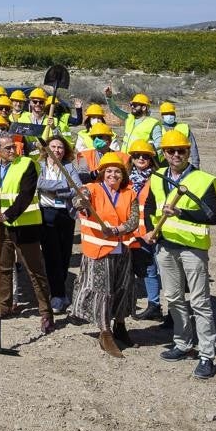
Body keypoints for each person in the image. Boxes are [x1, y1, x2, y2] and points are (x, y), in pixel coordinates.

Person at [144, 128, 216, 380]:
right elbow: (148, 208)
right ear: (164, 153)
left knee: (199, 302)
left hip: (193, 249)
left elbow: (211, 216)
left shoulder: (203, 180)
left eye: (181, 150)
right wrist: (149, 231)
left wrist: (181, 213)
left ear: (189, 152)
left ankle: (207, 355)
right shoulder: (157, 178)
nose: (176, 154)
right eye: (171, 151)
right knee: (174, 297)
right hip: (165, 247)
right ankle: (182, 343)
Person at [0, 131, 54, 335]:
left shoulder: (27, 165)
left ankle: (46, 314)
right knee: (3, 268)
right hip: (0, 227)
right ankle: (4, 307)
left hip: (25, 226)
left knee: (34, 270)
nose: (13, 150)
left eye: (14, 146)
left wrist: (7, 215)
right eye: (8, 148)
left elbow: (25, 195)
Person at [70, 153, 140, 358]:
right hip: (99, 251)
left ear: (123, 175)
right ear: (102, 173)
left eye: (117, 171)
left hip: (122, 250)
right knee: (104, 292)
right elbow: (78, 200)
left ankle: (119, 324)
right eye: (108, 171)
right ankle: (104, 332)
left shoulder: (129, 193)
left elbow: (134, 221)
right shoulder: (91, 189)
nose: (113, 174)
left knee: (122, 289)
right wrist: (81, 201)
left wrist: (118, 230)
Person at [37, 136, 84, 313]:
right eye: (53, 146)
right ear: (46, 149)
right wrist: (62, 185)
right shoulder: (39, 166)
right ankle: (57, 295)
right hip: (45, 213)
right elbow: (37, 183)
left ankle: (60, 290)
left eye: (60, 148)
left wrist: (53, 189)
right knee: (51, 255)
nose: (57, 150)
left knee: (64, 255)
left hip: (66, 214)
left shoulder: (69, 167)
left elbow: (76, 188)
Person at [127, 140, 165, 323]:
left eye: (145, 156)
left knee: (157, 269)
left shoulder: (159, 178)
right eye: (136, 155)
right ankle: (149, 306)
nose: (141, 158)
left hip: (152, 231)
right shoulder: (125, 178)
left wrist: (155, 229)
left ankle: (157, 306)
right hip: (131, 231)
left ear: (152, 158)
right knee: (140, 269)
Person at [151, 102, 200, 168]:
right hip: (161, 165)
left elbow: (193, 149)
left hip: (180, 164)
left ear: (175, 114)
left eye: (171, 113)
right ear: (162, 116)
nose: (169, 115)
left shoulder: (184, 128)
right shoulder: (157, 128)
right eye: (166, 114)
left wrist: (195, 165)